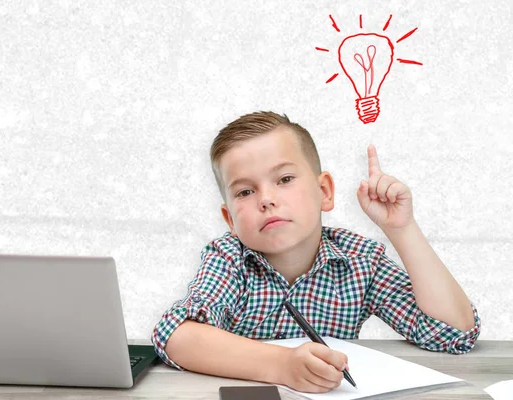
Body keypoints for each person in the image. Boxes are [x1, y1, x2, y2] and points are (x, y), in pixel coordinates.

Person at [151, 111, 481, 393]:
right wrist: (283, 366)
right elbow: (176, 335)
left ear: (323, 191)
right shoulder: (228, 257)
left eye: (284, 179)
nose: (266, 199)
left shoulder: (360, 261)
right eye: (246, 191)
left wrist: (402, 229)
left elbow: (453, 332)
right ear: (230, 220)